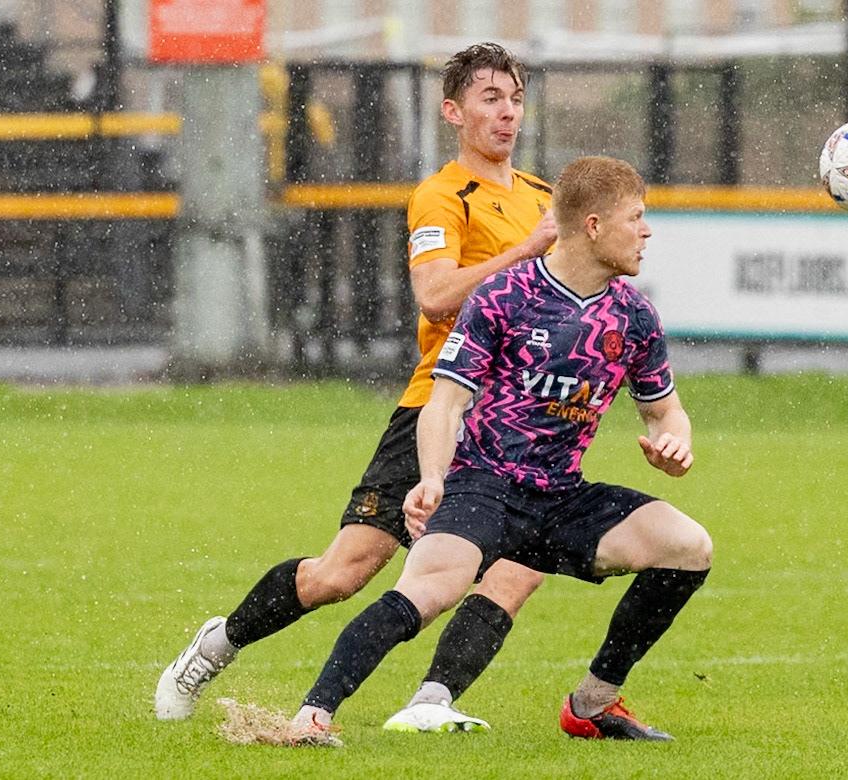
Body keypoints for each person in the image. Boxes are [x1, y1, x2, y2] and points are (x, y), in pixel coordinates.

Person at [155, 42, 558, 733]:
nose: (507, 112)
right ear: (453, 111)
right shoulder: (441, 196)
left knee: (520, 568)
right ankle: (215, 646)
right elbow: (434, 296)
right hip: (439, 408)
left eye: (515, 98)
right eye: (491, 98)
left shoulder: (547, 199)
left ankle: (433, 702)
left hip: (515, 425)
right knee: (341, 574)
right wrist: (524, 252)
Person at [286, 155, 712, 745]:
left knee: (689, 547)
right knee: (426, 592)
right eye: (635, 218)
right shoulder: (505, 295)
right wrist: (433, 478)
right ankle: (312, 714)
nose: (647, 232)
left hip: (561, 495)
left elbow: (664, 407)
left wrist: (674, 441)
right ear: (592, 226)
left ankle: (593, 702)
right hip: (483, 484)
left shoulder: (635, 316)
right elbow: (445, 403)